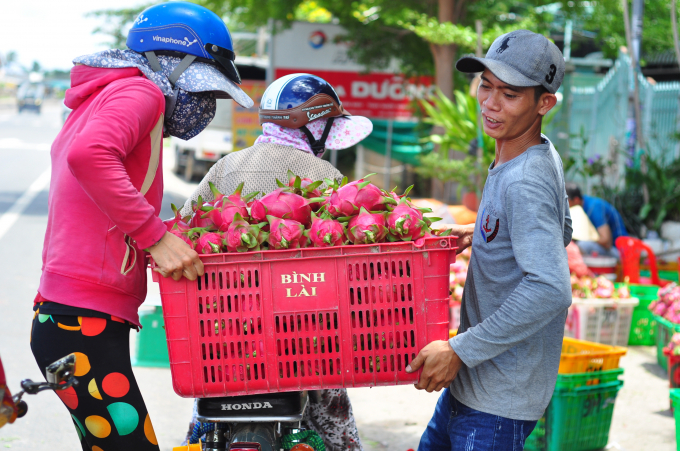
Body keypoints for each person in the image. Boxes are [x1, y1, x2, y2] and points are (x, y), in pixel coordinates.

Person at [30, 3, 253, 450]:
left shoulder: (110, 94)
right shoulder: (141, 94)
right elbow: (89, 158)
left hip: (75, 315)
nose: (205, 104)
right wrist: (156, 237)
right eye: (203, 89)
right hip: (82, 319)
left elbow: (97, 196)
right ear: (173, 63)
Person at [180, 73, 372, 451]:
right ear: (313, 127)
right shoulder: (324, 174)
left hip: (225, 328)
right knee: (334, 413)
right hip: (303, 333)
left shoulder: (227, 166)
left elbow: (185, 226)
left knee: (204, 416)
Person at [406, 30, 573, 450]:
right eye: (487, 86)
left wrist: (459, 350)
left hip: (497, 403)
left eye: (510, 94)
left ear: (544, 103)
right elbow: (562, 229)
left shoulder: (524, 179)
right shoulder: (530, 151)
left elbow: (551, 288)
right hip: (472, 387)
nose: (490, 104)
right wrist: (483, 234)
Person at [565, 182, 628, 258]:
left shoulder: (594, 208)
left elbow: (606, 241)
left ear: (576, 200)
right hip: (607, 249)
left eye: (566, 202)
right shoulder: (581, 208)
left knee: (582, 245)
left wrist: (582, 238)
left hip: (620, 252)